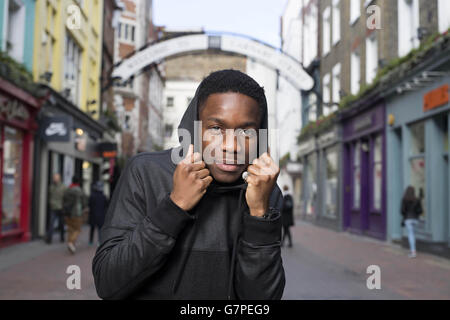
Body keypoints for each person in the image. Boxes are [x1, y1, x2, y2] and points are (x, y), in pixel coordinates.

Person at [92, 69, 285, 300]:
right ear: (194, 127)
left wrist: (259, 215)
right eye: (216, 129)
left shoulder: (264, 193)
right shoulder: (146, 173)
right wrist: (174, 206)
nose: (232, 146)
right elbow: (107, 283)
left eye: (246, 131)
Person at [63, 176, 87, 254]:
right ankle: (71, 243)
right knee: (77, 229)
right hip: (76, 213)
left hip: (67, 213)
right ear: (78, 182)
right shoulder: (79, 191)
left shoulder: (67, 189)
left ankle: (71, 245)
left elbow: (63, 200)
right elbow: (84, 202)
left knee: (70, 230)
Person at [401, 186, 423, 258]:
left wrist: (405, 215)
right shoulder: (417, 200)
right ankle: (414, 250)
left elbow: (402, 211)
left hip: (408, 219)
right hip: (415, 219)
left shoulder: (404, 199)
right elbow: (420, 211)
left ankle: (413, 251)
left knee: (411, 235)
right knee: (414, 234)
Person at [46, 173, 66, 244]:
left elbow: (65, 197)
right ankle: (49, 239)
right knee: (51, 223)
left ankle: (62, 237)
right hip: (54, 207)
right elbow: (49, 196)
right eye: (54, 178)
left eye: (56, 178)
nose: (55, 179)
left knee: (61, 224)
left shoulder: (63, 187)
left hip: (61, 208)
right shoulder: (51, 187)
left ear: (59, 178)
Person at [88, 181, 108, 246]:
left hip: (93, 215)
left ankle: (90, 241)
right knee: (100, 229)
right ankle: (99, 241)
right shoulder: (104, 197)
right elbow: (106, 206)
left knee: (92, 229)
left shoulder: (92, 196)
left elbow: (89, 205)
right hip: (101, 215)